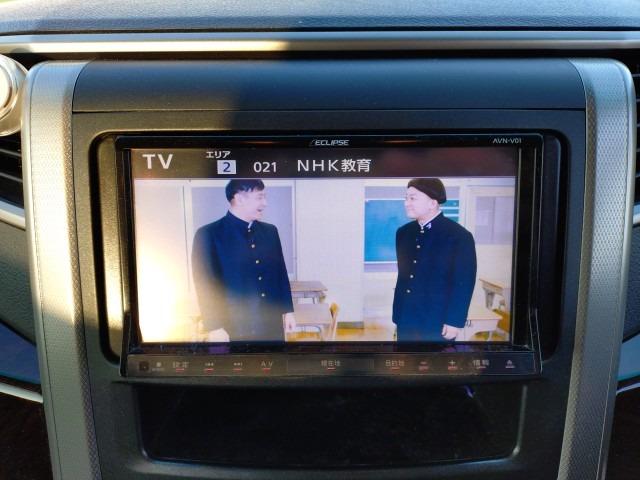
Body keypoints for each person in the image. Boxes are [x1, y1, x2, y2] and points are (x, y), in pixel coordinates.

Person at [191, 179, 295, 342]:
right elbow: (205, 284)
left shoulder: (270, 231)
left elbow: (280, 273)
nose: (265, 203)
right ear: (239, 199)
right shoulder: (208, 234)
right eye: (259, 197)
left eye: (265, 197)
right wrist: (214, 327)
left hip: (271, 324)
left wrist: (288, 312)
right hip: (232, 327)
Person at [392, 178, 477, 342]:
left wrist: (454, 321)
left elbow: (464, 283)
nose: (406, 203)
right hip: (406, 317)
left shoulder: (459, 236)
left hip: (438, 320)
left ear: (432, 203)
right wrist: (398, 314)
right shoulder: (403, 233)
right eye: (406, 198)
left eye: (413, 198)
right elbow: (404, 277)